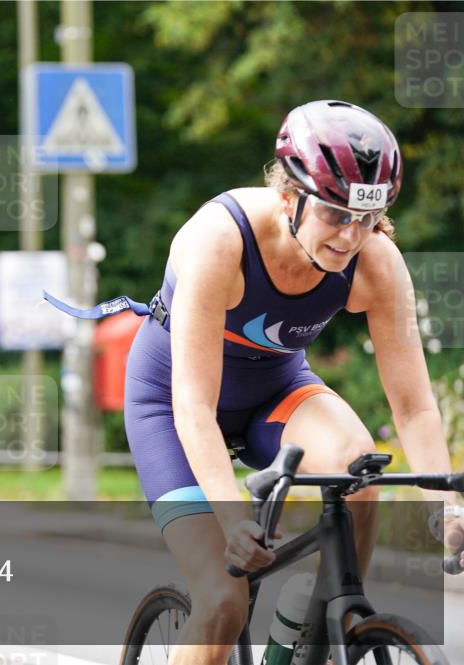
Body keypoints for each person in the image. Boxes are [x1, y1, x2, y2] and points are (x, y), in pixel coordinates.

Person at [117, 100, 464, 664]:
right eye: (335, 214)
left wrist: (446, 506)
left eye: (367, 217)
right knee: (222, 598)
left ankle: (317, 632)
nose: (351, 236)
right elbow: (194, 406)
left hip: (275, 396)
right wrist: (232, 522)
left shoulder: (376, 261)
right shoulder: (219, 240)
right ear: (288, 196)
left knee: (358, 469)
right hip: (174, 408)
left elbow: (415, 406)